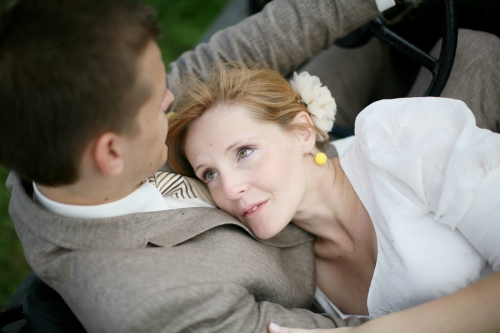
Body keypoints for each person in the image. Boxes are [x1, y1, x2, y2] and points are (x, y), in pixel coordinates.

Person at [0, 0, 392, 331]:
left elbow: (224, 58)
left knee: (388, 43)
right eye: (158, 104)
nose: (172, 96)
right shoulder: (153, 304)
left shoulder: (58, 135)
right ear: (111, 154)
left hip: (311, 164)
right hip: (354, 288)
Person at [166, 61, 500, 333]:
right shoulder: (295, 275)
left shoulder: (392, 139)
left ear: (303, 133)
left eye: (244, 151)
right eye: (209, 174)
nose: (229, 189)